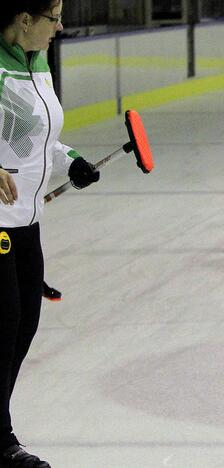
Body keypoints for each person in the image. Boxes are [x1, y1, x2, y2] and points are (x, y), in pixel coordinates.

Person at [1, 2, 100, 468]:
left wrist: (70, 159)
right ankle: (0, 440)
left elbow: (36, 137)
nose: (61, 26)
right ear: (24, 19)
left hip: (28, 218)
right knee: (5, 325)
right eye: (54, 16)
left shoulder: (38, 63)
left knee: (23, 325)